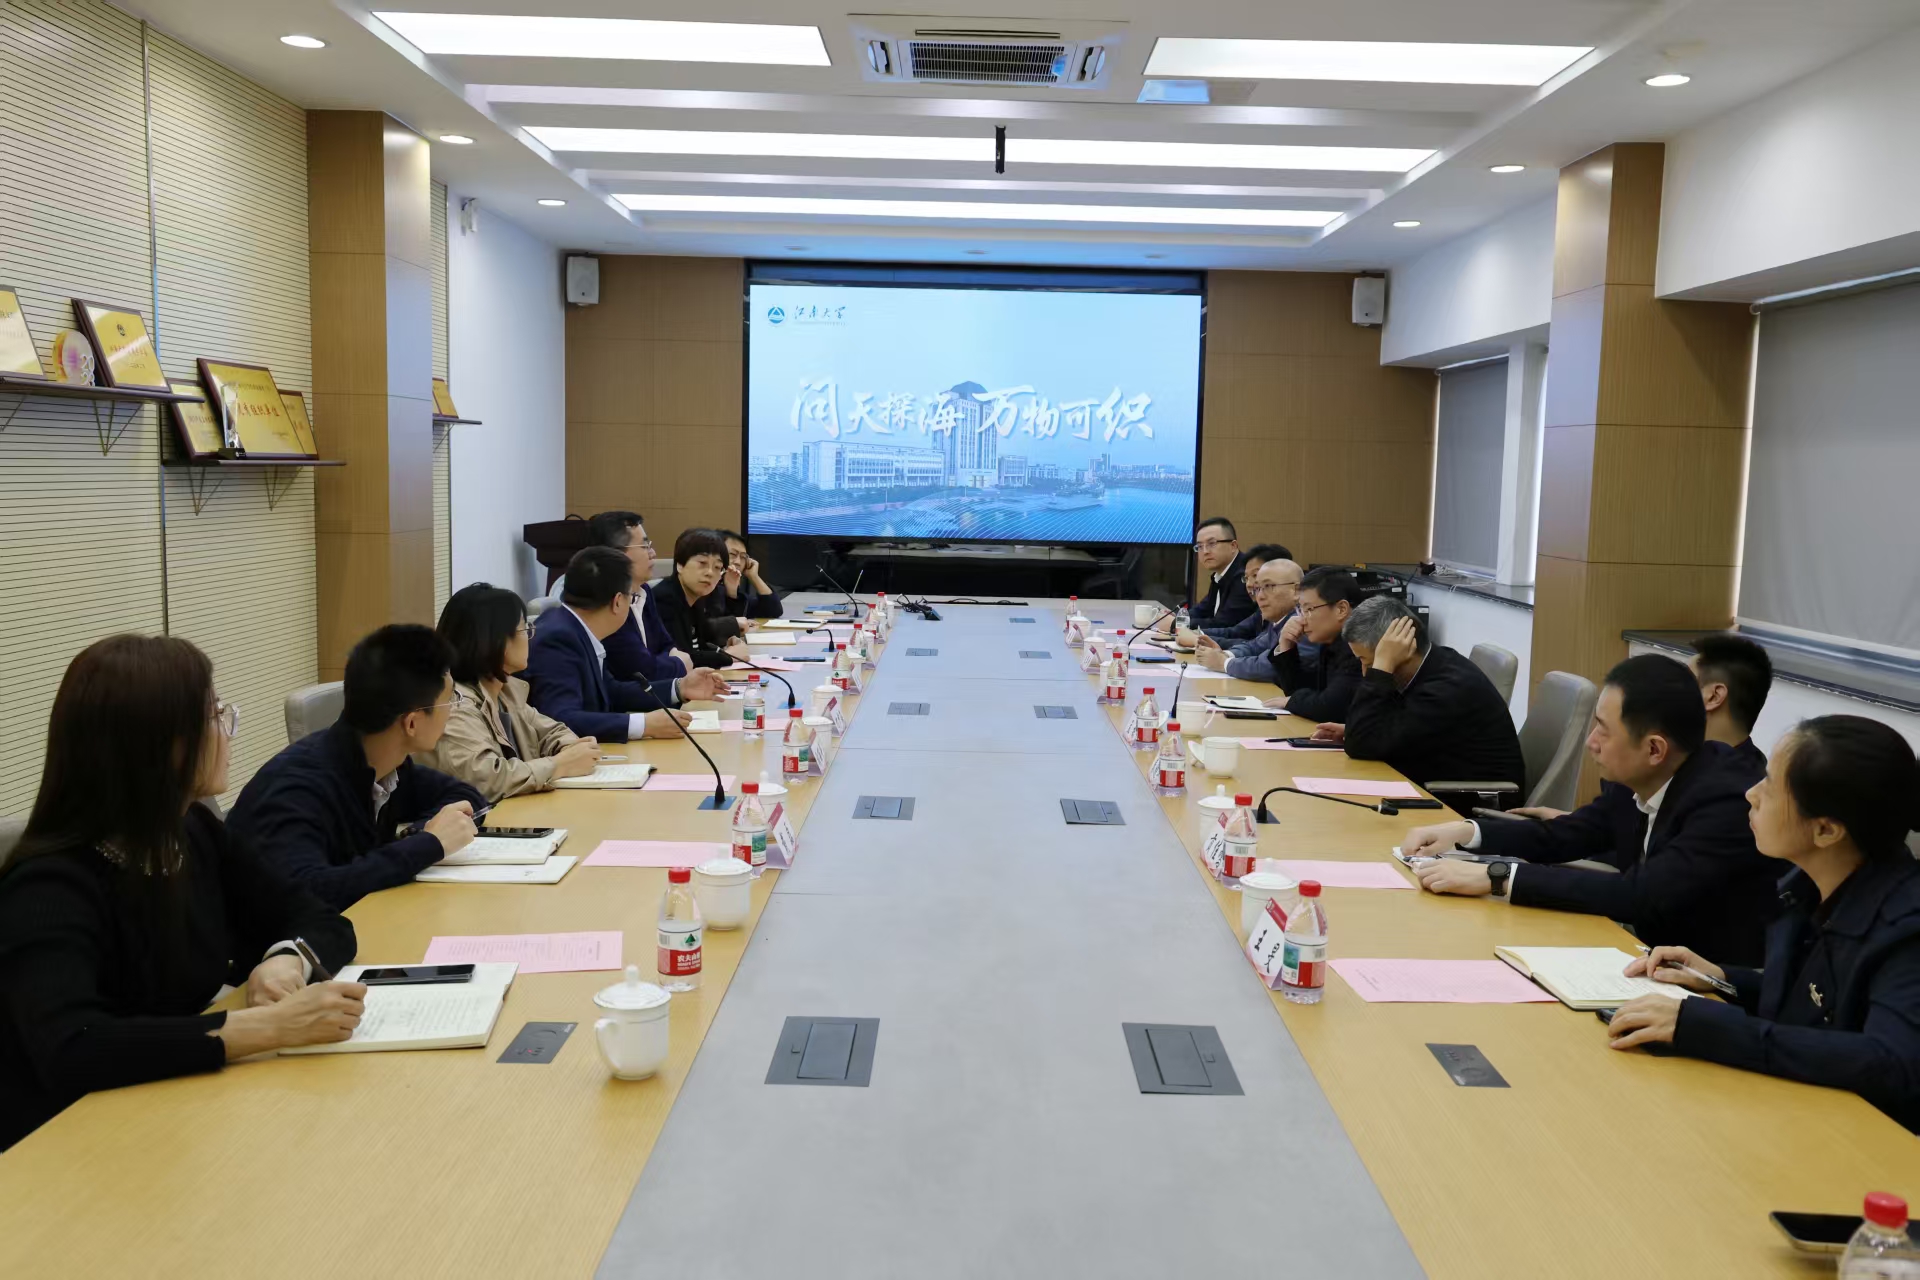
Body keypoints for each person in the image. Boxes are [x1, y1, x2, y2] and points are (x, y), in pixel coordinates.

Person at [0, 636, 364, 1150]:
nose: (228, 730)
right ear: (158, 747)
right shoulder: (48, 886)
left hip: (172, 1110)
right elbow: (74, 1048)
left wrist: (285, 960)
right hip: (68, 1143)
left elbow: (319, 917)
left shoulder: (191, 832)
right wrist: (266, 1027)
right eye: (214, 715)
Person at [1605, 716, 1920, 1133]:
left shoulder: (1907, 928)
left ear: (1825, 830)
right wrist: (1720, 980)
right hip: (1798, 1114)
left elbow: (1890, 1063)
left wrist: (1704, 1026)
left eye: (1770, 785)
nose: (1751, 794)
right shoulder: (1812, 886)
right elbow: (1818, 1007)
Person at [1404, 654, 1778, 965]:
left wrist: (1497, 877)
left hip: (1713, 982)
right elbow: (1568, 834)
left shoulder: (1725, 801)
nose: (1591, 742)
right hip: (1650, 958)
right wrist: (1466, 833)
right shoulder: (1645, 775)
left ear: (1654, 749)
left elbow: (1641, 895)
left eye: (1603, 729)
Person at [231, 626, 487, 910]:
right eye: (450, 700)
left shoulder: (387, 764)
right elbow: (309, 893)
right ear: (412, 723)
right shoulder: (297, 788)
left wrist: (421, 835)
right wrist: (427, 844)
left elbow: (466, 796)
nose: (453, 709)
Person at [1512, 633, 1777, 822]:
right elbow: (1612, 826)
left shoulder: (1736, 796)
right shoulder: (1669, 758)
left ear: (1714, 696)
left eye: (1685, 680)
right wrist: (1572, 823)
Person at [1327, 597, 1525, 807]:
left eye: (1369, 663)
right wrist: (1360, 728)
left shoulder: (1446, 689)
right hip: (1434, 781)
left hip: (1472, 805)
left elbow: (1360, 745)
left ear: (1404, 649)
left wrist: (1382, 667)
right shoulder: (1432, 664)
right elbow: (1390, 729)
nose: (1365, 673)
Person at [421, 583, 605, 801]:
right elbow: (487, 780)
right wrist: (558, 765)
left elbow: (552, 731)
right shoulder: (455, 705)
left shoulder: (505, 690)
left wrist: (571, 750)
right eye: (524, 629)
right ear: (496, 640)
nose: (530, 636)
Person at [524, 546, 725, 742]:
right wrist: (644, 724)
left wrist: (679, 687)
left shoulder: (575, 628)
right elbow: (561, 719)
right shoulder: (558, 639)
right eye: (632, 596)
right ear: (618, 601)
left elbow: (611, 691)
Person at [584, 510, 697, 685]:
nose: (653, 553)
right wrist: (680, 664)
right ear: (617, 554)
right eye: (645, 546)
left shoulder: (644, 591)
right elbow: (642, 671)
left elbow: (666, 645)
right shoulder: (607, 602)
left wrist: (669, 661)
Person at [1264, 567, 1365, 722]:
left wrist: (1291, 701)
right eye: (1301, 610)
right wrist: (1286, 646)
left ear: (1341, 609)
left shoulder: (1360, 644)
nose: (1302, 620)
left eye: (1309, 609)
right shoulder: (1331, 642)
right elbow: (1303, 690)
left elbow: (1331, 707)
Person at [650, 528, 752, 668]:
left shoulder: (696, 599)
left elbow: (699, 647)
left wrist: (722, 650)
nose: (710, 573)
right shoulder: (664, 599)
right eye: (702, 563)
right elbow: (681, 658)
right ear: (680, 565)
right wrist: (728, 656)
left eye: (717, 567)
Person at [1193, 558, 1305, 683]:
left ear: (1297, 590)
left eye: (1268, 586)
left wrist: (1223, 663)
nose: (1260, 596)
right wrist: (1226, 654)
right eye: (1258, 589)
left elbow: (1272, 666)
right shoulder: (1279, 618)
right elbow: (1254, 646)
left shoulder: (1304, 622)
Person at [1191, 543, 1290, 644]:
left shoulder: (1293, 619)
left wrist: (1196, 638)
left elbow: (1256, 647)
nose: (1249, 584)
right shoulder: (1260, 611)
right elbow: (1234, 632)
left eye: (1255, 575)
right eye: (1246, 578)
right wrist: (1195, 634)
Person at [1185, 517, 1255, 631]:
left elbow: (1225, 623)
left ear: (1233, 546)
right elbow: (1203, 609)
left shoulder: (1244, 576)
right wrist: (1176, 617)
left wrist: (1179, 623)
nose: (1205, 551)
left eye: (1212, 544)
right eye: (1200, 546)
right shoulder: (1219, 575)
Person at [717, 529, 783, 623]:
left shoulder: (741, 597)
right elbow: (716, 624)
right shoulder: (707, 589)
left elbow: (773, 611)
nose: (738, 562)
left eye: (743, 557)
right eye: (732, 554)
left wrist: (754, 577)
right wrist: (730, 594)